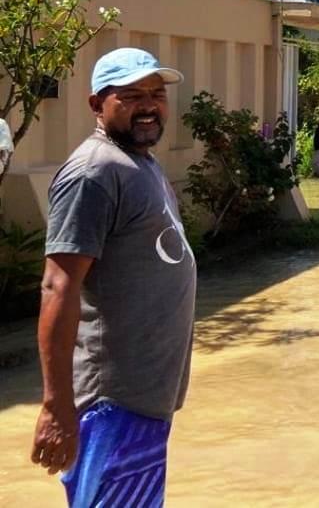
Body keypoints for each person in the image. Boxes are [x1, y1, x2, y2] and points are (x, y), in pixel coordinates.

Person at [31, 47, 196, 506]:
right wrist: (56, 407)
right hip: (112, 404)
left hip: (144, 400)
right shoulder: (93, 173)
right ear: (96, 104)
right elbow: (56, 287)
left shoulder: (140, 163)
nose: (149, 105)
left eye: (157, 94)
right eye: (131, 95)